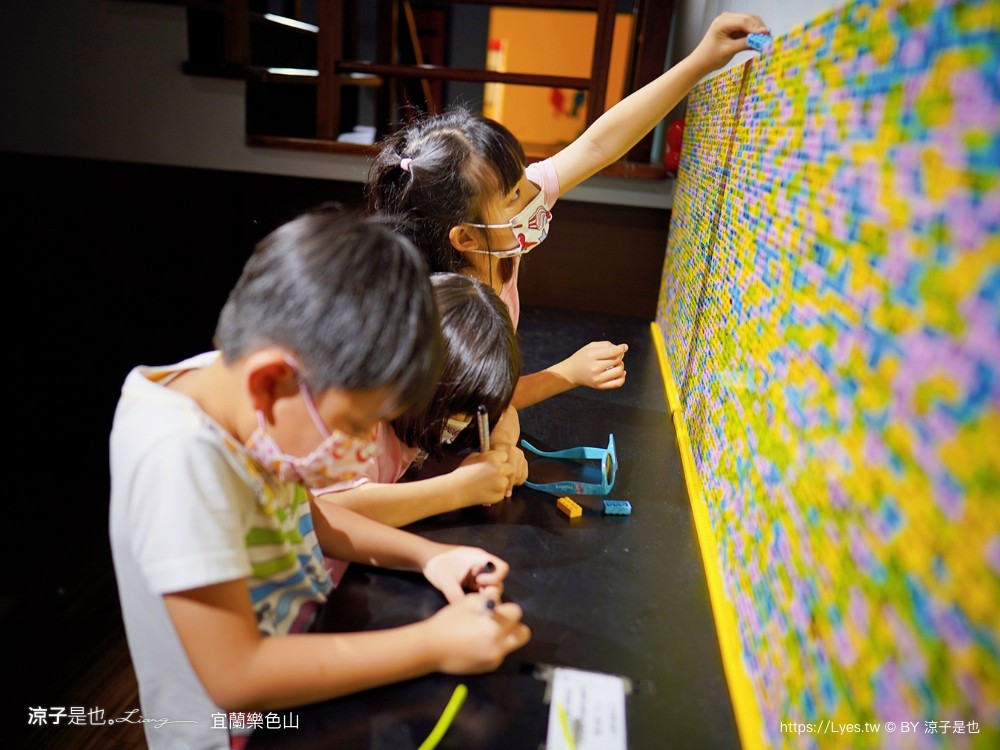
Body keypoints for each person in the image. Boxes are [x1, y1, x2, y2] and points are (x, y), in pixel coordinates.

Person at [108, 208, 531, 750]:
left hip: (306, 665)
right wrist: (432, 644)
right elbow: (236, 675)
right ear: (271, 384)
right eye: (354, 426)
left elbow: (304, 514)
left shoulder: (239, 390)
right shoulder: (178, 460)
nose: (360, 450)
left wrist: (429, 556)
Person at [364, 11, 769, 411]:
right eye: (515, 195)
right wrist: (567, 373)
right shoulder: (453, 312)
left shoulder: (496, 226)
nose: (534, 193)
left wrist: (702, 59)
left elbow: (598, 144)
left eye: (524, 176)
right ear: (466, 237)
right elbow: (479, 408)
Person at [315, 272, 528, 529]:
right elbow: (328, 511)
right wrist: (458, 490)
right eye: (460, 410)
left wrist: (502, 449)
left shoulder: (442, 397)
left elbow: (505, 414)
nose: (465, 421)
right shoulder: (360, 419)